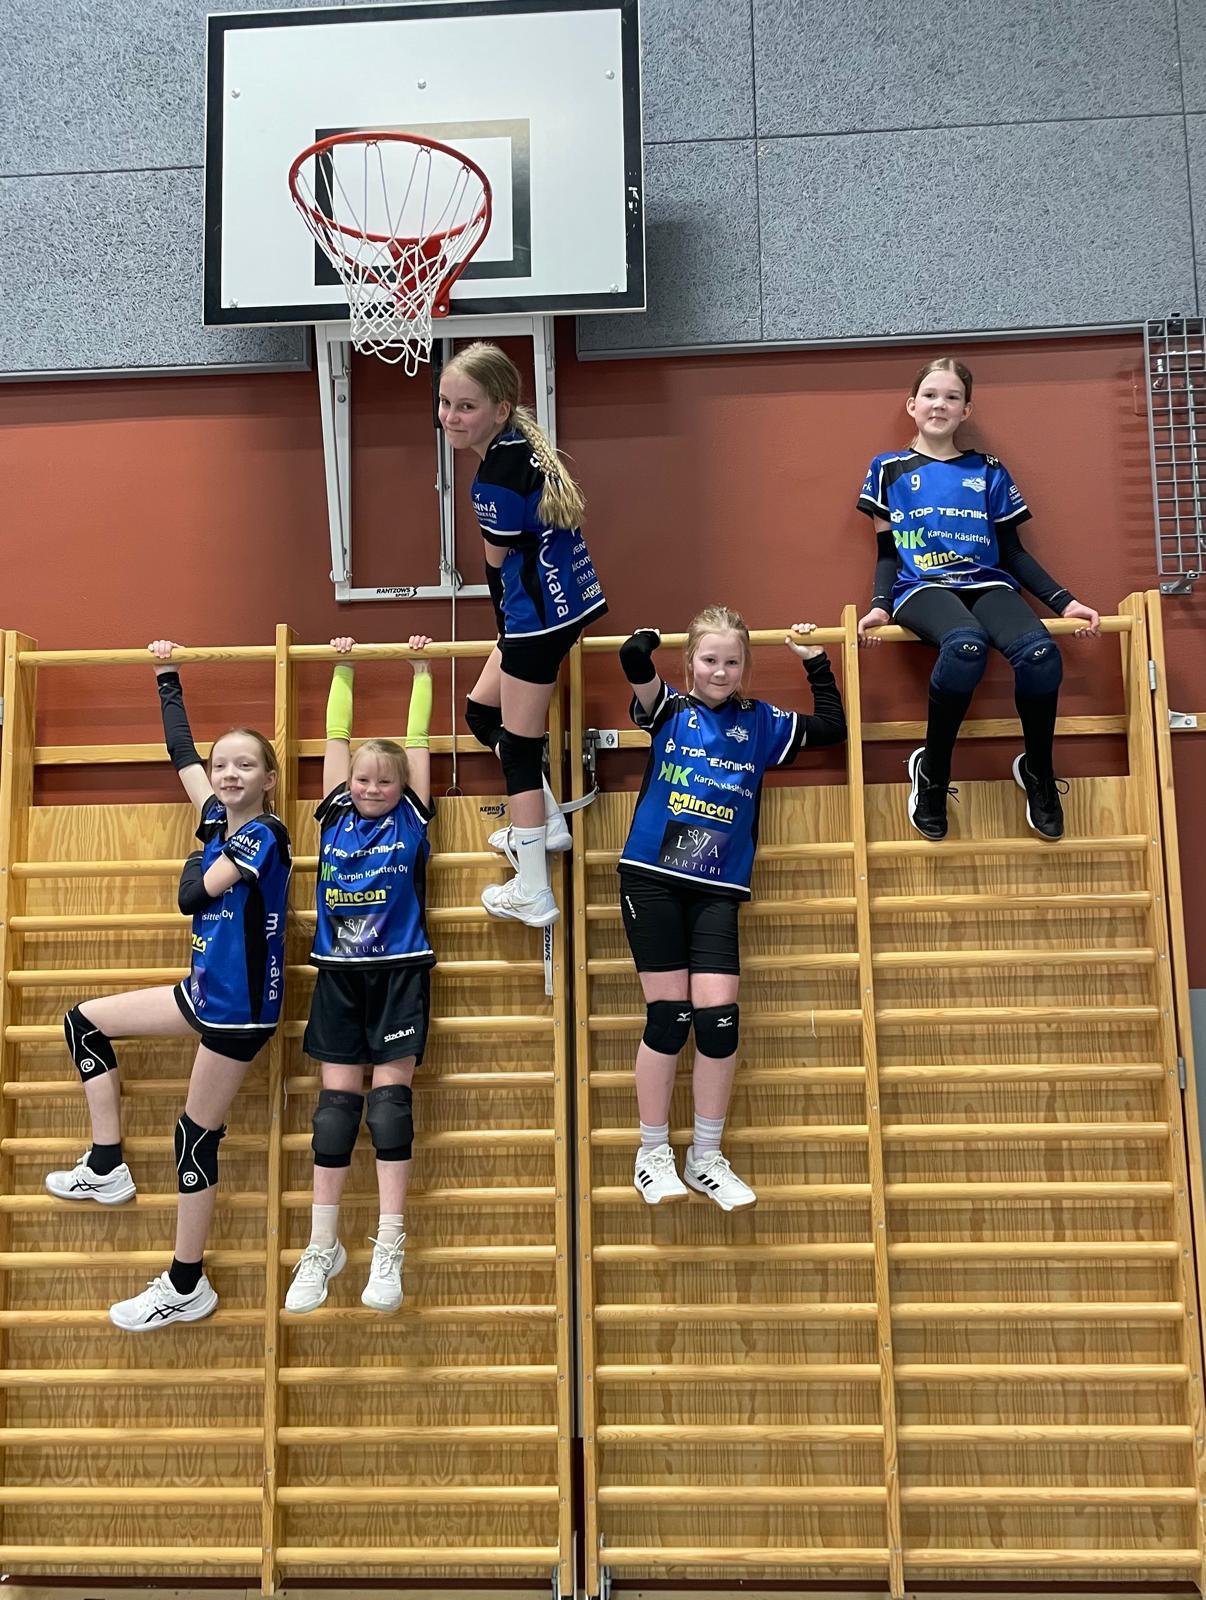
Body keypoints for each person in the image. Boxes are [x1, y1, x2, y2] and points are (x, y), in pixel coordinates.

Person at [45, 642, 292, 1330]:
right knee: (84, 1021)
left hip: (239, 1012)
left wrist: (193, 858)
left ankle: (187, 1282)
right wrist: (166, 676)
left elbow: (191, 895)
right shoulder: (213, 816)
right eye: (223, 766)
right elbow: (181, 752)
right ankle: (106, 1163)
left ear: (270, 779)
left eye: (246, 765)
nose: (229, 774)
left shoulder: (264, 836)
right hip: (201, 992)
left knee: (193, 1137)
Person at [617, 607, 846, 1211]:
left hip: (717, 886)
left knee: (719, 1021)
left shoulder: (761, 722)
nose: (720, 671)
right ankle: (651, 1154)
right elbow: (633, 663)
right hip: (654, 878)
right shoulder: (668, 710)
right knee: (670, 1018)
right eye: (709, 659)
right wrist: (644, 642)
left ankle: (706, 1156)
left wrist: (815, 661)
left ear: (745, 666)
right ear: (690, 661)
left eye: (732, 661)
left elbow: (833, 727)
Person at [855, 356, 1100, 841]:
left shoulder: (987, 470)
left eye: (952, 397)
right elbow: (886, 552)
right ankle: (932, 773)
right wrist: (880, 603)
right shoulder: (888, 468)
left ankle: (1038, 771)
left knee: (1041, 654)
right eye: (930, 395)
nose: (939, 404)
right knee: (965, 646)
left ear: (966, 410)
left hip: (987, 583)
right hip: (920, 586)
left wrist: (1064, 602)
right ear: (911, 405)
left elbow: (1013, 552)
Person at [284, 636, 435, 1315]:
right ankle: (323, 1246)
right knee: (335, 1116)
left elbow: (418, 743)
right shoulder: (334, 815)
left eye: (385, 780)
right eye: (362, 779)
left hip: (399, 972)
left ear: (403, 789)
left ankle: (389, 1244)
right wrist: (342, 666)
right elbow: (335, 740)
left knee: (390, 1109)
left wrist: (422, 671)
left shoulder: (411, 818)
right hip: (338, 976)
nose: (371, 788)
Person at [438, 341, 607, 929]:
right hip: (559, 608)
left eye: (466, 407)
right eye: (446, 403)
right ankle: (548, 822)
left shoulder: (495, 477)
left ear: (501, 410)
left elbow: (495, 562)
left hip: (538, 619)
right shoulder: (517, 448)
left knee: (517, 747)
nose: (451, 416)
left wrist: (509, 630)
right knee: (482, 714)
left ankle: (533, 887)